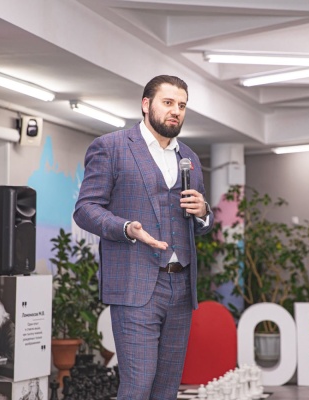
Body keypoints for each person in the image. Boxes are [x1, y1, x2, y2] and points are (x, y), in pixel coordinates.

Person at [73, 75, 214, 399]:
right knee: (138, 386)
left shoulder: (189, 158)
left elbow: (201, 225)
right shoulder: (111, 147)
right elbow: (85, 209)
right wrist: (125, 228)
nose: (176, 111)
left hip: (181, 288)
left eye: (182, 105)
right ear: (146, 104)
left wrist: (204, 211)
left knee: (166, 389)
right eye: (168, 102)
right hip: (136, 286)